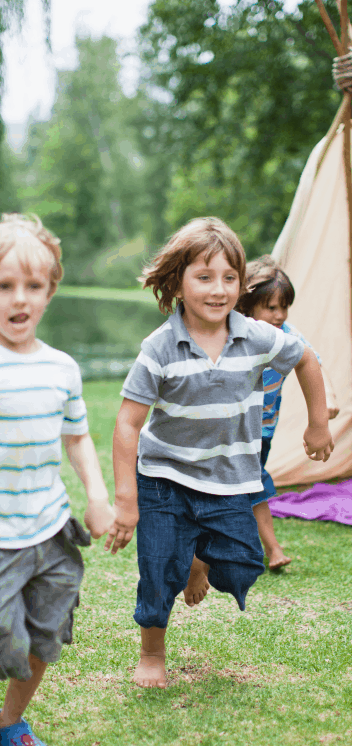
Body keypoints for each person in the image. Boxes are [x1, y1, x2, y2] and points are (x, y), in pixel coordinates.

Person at [105, 217, 334, 689]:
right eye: (204, 277)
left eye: (230, 277)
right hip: (164, 477)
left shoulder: (256, 335)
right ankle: (152, 653)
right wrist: (126, 498)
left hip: (231, 480)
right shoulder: (160, 347)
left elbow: (306, 359)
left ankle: (198, 558)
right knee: (157, 569)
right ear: (178, 283)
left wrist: (317, 423)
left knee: (244, 563)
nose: (219, 289)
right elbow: (128, 423)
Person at [0, 214, 115, 746]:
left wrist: (97, 496)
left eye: (32, 286)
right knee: (5, 637)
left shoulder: (63, 369)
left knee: (45, 635)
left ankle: (9, 724)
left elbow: (76, 440)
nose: (18, 299)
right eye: (4, 286)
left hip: (49, 532)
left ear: (49, 293)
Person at [236, 255, 339, 569]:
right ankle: (272, 548)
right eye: (271, 307)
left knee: (248, 487)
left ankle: (242, 549)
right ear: (247, 305)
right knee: (253, 486)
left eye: (284, 307)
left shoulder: (288, 336)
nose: (280, 315)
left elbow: (313, 362)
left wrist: (327, 402)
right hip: (232, 431)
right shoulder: (235, 333)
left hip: (263, 431)